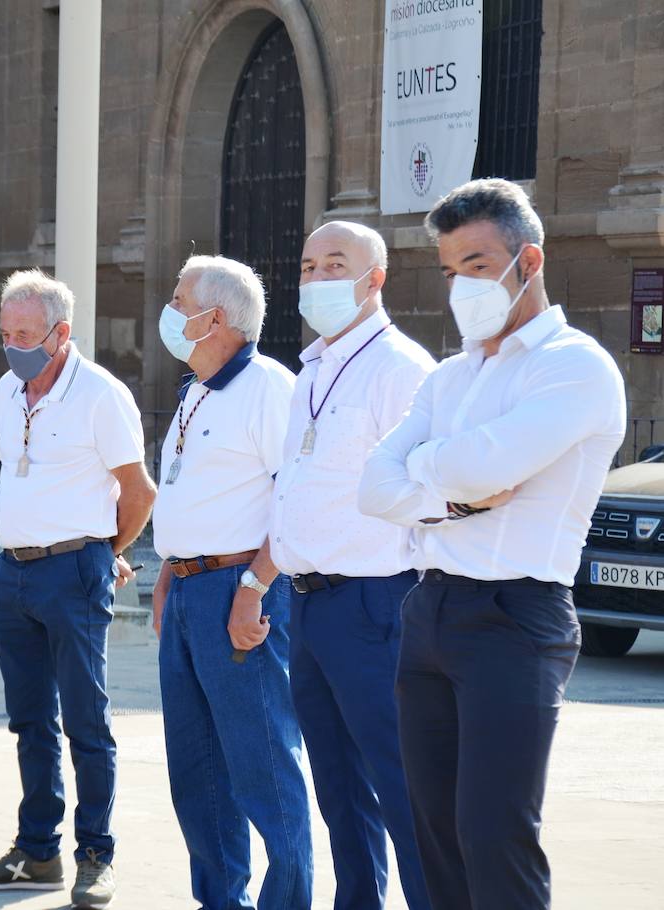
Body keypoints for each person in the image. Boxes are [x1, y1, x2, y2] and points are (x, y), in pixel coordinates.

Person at [358, 179, 626, 910]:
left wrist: (434, 474)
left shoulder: (575, 367)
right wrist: (454, 495)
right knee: (433, 835)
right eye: (449, 270)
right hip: (432, 609)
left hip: (517, 618)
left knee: (494, 833)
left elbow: (481, 466)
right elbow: (373, 489)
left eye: (477, 265)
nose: (461, 285)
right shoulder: (450, 377)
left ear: (528, 260)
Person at [0, 270, 155, 910]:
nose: (13, 346)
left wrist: (106, 554)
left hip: (72, 572)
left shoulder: (100, 394)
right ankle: (37, 849)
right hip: (12, 571)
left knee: (86, 721)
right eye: (6, 332)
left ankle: (95, 854)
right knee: (29, 721)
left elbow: (139, 492)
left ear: (60, 333)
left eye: (26, 334)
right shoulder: (8, 394)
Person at [269, 221, 435, 910]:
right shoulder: (312, 369)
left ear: (376, 278)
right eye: (308, 265)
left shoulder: (400, 369)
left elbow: (428, 492)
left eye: (336, 263)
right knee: (338, 788)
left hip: (374, 602)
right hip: (308, 603)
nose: (317, 278)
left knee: (404, 788)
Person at [148, 256, 312, 909]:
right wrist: (168, 574)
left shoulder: (270, 388)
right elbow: (194, 495)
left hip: (240, 589)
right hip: (190, 591)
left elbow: (296, 499)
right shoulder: (196, 387)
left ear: (213, 316)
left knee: (262, 762)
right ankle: (221, 898)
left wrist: (253, 587)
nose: (169, 306)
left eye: (178, 296)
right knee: (197, 767)